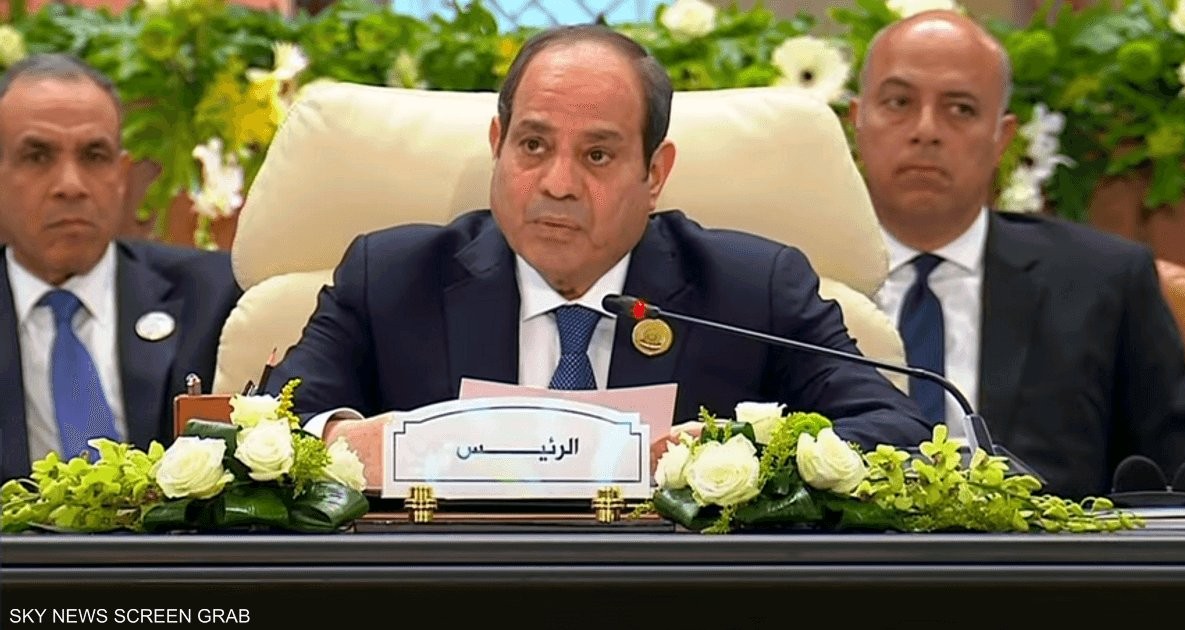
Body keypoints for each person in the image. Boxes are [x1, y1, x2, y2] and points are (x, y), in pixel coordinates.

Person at [267, 24, 935, 488]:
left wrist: (740, 456)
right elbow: (269, 430)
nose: (558, 183)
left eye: (596, 155)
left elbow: (895, 432)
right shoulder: (391, 279)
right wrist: (343, 442)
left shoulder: (749, 290)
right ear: (497, 145)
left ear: (654, 174)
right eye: (533, 146)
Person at [851, 10, 1185, 498]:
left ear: (1003, 138)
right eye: (899, 102)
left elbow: (1173, 486)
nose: (925, 130)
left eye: (961, 109)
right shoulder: (792, 279)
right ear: (857, 120)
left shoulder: (1105, 282)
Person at [0, 54, 241, 481]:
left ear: (122, 175)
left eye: (94, 156)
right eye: (37, 157)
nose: (70, 185)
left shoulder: (213, 297)